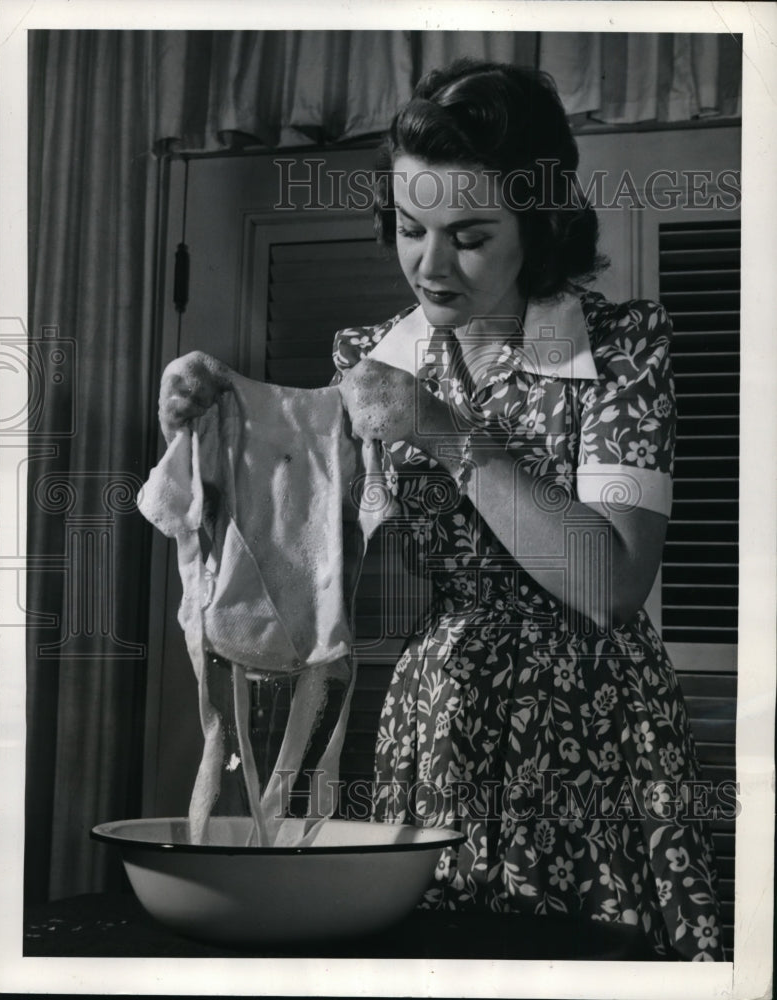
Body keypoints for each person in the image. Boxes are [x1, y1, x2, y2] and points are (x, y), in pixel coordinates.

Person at [159, 59, 724, 961]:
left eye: (468, 234)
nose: (429, 264)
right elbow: (293, 570)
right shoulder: (372, 357)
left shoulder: (620, 349)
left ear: (536, 226)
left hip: (591, 718)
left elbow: (611, 582)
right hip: (439, 717)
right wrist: (215, 429)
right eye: (409, 227)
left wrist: (443, 431)